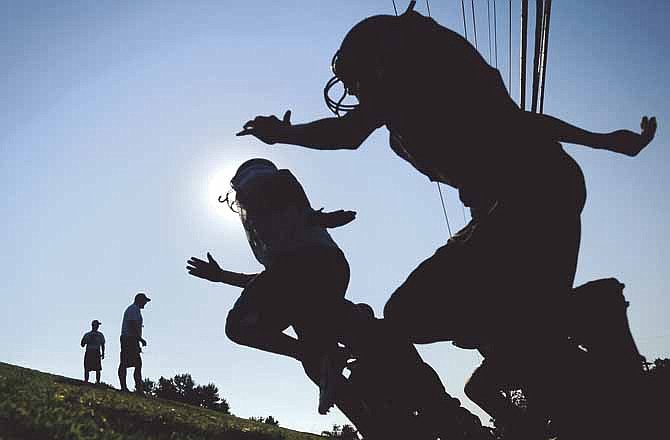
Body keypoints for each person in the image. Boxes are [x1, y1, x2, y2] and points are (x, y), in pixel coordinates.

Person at [236, 4, 657, 437]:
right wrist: (605, 142)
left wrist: (285, 134)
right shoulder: (441, 78)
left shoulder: (407, 77)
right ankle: (586, 380)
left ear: (378, 62)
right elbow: (525, 122)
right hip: (543, 193)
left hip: (528, 198)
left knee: (410, 312)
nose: (357, 94)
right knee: (523, 331)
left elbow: (347, 134)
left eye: (357, 81)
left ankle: (589, 317)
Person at [187, 158, 355, 414]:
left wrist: (317, 216)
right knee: (318, 357)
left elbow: (284, 184)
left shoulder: (259, 187)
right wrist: (222, 276)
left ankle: (322, 351)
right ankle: (366, 410)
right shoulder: (281, 231)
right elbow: (269, 281)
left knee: (239, 326)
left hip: (304, 271)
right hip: (330, 269)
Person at [118, 292, 150, 393]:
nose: (145, 303)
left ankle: (134, 387)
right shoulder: (133, 309)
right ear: (140, 300)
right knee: (129, 363)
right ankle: (133, 388)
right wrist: (140, 339)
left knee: (133, 363)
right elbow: (132, 325)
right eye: (145, 301)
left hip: (131, 339)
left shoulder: (135, 310)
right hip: (129, 339)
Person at [80, 319, 105, 384]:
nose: (97, 327)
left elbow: (82, 344)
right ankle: (96, 382)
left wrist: (103, 353)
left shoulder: (88, 334)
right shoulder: (99, 335)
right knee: (96, 369)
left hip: (91, 352)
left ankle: (88, 381)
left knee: (90, 368)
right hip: (94, 352)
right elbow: (102, 344)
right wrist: (103, 353)